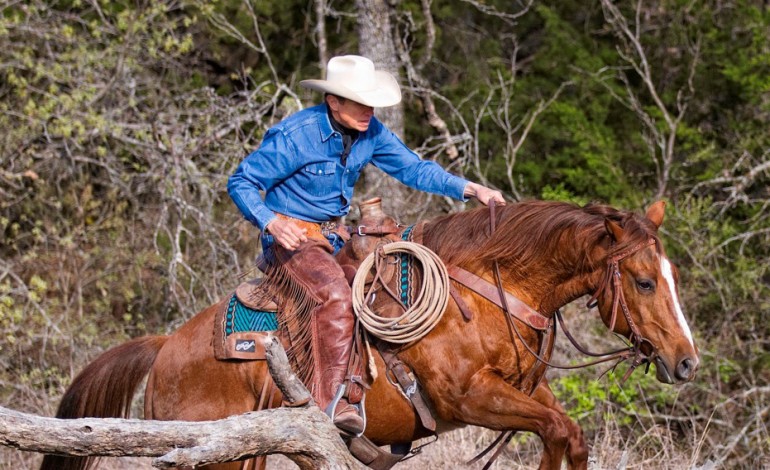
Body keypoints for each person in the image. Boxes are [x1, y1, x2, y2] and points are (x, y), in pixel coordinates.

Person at [228, 55, 505, 435]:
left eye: (370, 102)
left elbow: (413, 168)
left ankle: (390, 393)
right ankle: (330, 405)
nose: (368, 110)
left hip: (334, 235)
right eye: (358, 101)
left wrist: (471, 188)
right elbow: (241, 182)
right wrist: (272, 222)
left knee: (386, 284)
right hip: (291, 240)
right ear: (333, 101)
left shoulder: (370, 132)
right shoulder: (297, 135)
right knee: (337, 297)